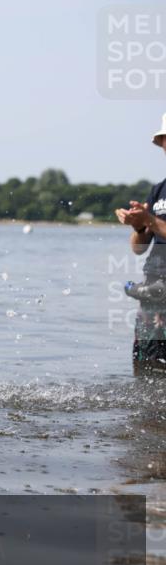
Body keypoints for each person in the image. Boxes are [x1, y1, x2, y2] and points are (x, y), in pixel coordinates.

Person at [116, 113, 166, 373]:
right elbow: (138, 248)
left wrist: (150, 220)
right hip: (153, 289)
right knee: (144, 368)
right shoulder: (158, 190)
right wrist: (138, 225)